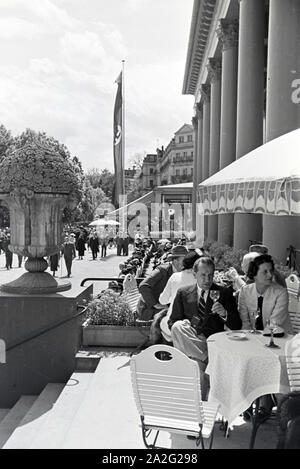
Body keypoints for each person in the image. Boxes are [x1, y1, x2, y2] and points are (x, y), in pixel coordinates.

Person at [168, 256, 241, 399]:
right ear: (194, 275)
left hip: (215, 342)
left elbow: (236, 325)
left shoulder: (224, 293)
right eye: (203, 275)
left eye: (210, 275)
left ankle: (200, 409)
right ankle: (207, 360)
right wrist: (186, 325)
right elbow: (172, 322)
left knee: (197, 366)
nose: (207, 279)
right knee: (178, 326)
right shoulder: (183, 293)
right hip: (194, 341)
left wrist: (224, 313)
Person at [238, 254, 293, 420]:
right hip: (254, 338)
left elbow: (273, 324)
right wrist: (249, 339)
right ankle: (246, 401)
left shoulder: (281, 292)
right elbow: (245, 321)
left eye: (271, 271)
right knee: (244, 359)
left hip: (278, 340)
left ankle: (265, 405)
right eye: (265, 272)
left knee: (267, 361)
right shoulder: (245, 291)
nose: (270, 275)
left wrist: (255, 340)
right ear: (254, 274)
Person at [136, 245, 189, 321]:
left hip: (165, 310)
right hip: (148, 310)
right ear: (175, 261)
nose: (187, 263)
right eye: (185, 260)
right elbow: (143, 286)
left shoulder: (184, 273)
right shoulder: (162, 270)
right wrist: (156, 304)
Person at [159, 251, 201, 343]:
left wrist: (172, 297)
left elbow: (163, 300)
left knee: (160, 319)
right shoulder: (201, 279)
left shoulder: (175, 277)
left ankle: (162, 351)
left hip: (175, 325)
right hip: (196, 326)